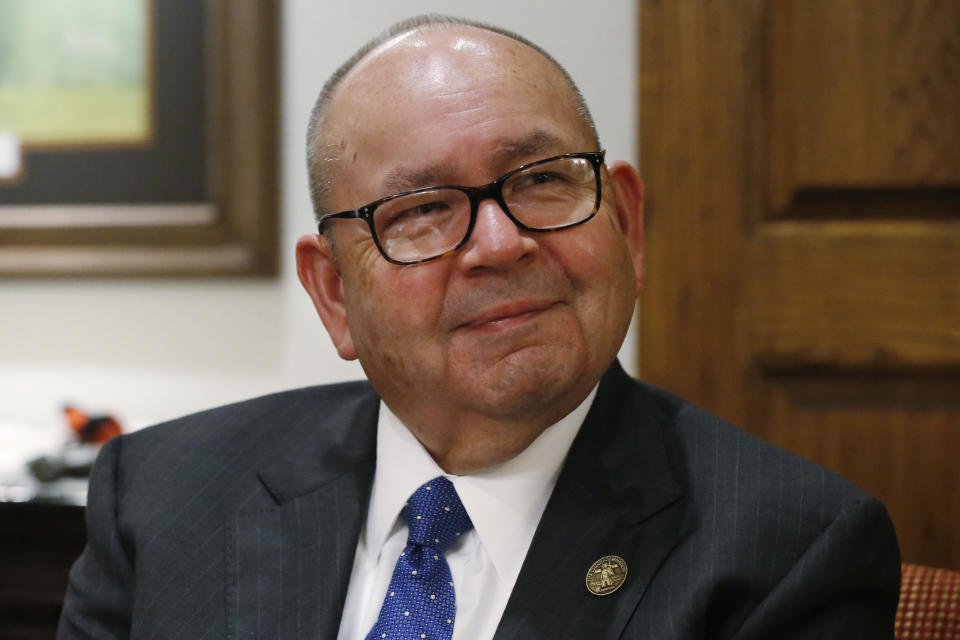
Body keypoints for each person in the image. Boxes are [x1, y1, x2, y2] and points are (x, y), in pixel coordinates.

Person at [58, 15, 901, 640]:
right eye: (422, 210)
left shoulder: (791, 551)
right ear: (335, 295)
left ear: (628, 226)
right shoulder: (164, 496)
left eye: (541, 181)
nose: (501, 244)